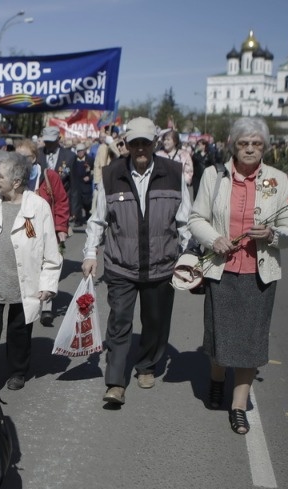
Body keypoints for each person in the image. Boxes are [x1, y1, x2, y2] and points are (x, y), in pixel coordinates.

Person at [187, 117, 288, 434]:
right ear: (233, 146)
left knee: (251, 343)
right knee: (219, 338)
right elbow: (197, 218)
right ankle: (216, 379)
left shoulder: (275, 180)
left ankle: (239, 406)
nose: (250, 148)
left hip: (259, 275)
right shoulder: (215, 176)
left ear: (265, 147)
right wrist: (213, 238)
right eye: (243, 143)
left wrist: (273, 234)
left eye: (256, 143)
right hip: (221, 271)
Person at [82, 117, 191, 406]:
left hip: (162, 264)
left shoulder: (173, 173)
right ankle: (115, 381)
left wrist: (187, 256)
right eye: (134, 143)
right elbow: (97, 219)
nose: (140, 148)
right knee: (118, 323)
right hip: (121, 264)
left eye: (146, 142)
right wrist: (90, 253)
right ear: (126, 145)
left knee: (155, 322)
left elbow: (185, 221)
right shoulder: (111, 174)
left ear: (155, 143)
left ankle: (146, 365)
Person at [0, 153, 61, 391]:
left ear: (17, 182)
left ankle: (18, 370)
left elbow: (51, 251)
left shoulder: (38, 206)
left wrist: (48, 283)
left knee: (19, 331)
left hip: (23, 283)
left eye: (0, 176)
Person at [18, 138, 69, 327]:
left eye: (26, 157)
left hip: (46, 228)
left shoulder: (48, 176)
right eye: (19, 157)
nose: (22, 161)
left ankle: (46, 307)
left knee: (47, 264)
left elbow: (62, 201)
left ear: (34, 157)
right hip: (24, 229)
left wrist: (61, 227)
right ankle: (28, 301)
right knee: (30, 265)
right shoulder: (14, 177)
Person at [37, 126, 75, 193]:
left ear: (58, 139)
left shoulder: (69, 156)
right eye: (46, 141)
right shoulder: (38, 154)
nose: (49, 144)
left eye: (52, 141)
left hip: (62, 197)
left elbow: (74, 185)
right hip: (41, 198)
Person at [156, 129, 194, 194]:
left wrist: (181, 182)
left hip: (179, 190)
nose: (165, 142)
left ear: (175, 141)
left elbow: (188, 172)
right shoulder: (158, 155)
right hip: (162, 190)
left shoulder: (184, 155)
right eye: (164, 140)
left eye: (168, 140)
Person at [70, 143, 94, 225]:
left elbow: (95, 171)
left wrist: (89, 177)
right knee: (77, 202)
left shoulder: (90, 159)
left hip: (86, 184)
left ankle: (88, 214)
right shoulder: (74, 160)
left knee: (87, 202)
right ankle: (78, 220)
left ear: (84, 151)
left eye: (81, 151)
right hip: (77, 184)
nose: (80, 153)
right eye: (78, 151)